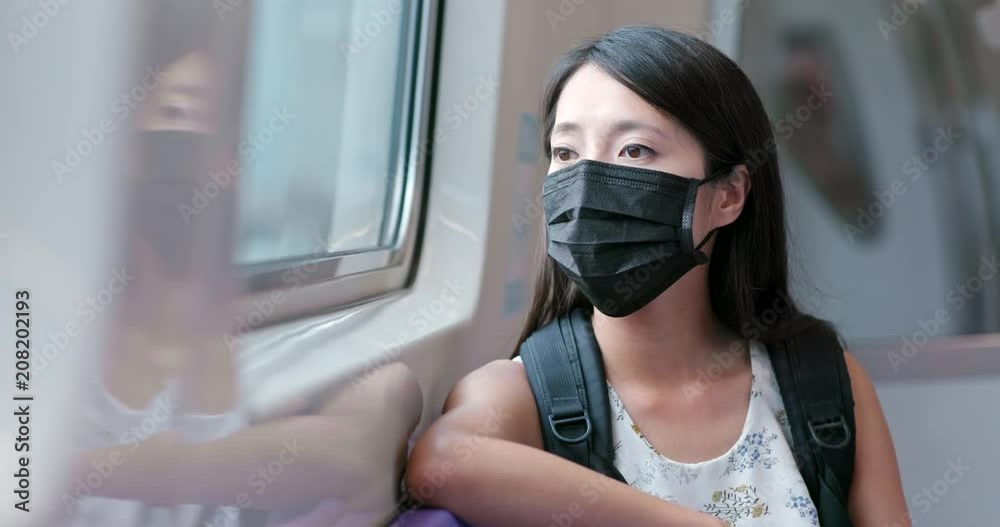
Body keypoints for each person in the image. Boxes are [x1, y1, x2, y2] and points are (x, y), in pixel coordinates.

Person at [406, 26, 909, 526]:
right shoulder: (523, 393)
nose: (585, 185)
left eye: (634, 151)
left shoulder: (821, 383)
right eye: (566, 153)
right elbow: (440, 462)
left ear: (728, 196)